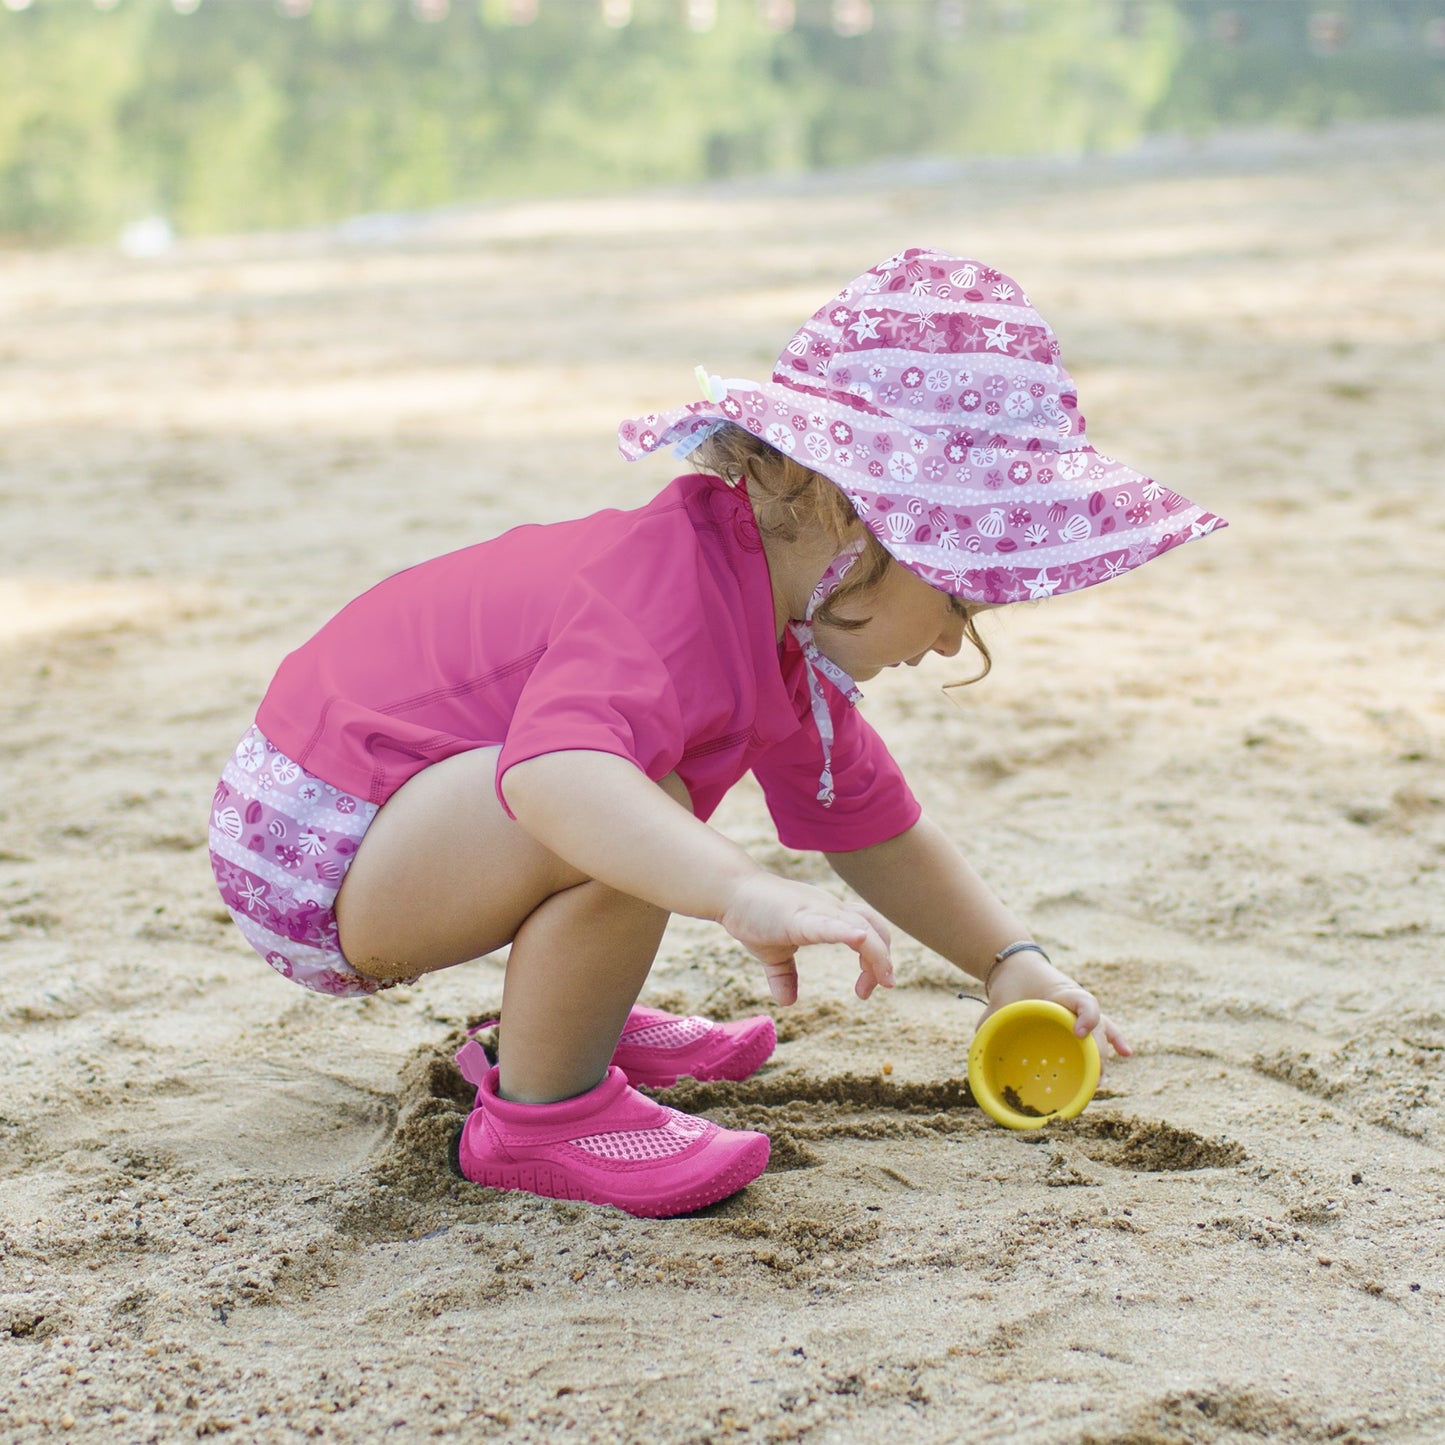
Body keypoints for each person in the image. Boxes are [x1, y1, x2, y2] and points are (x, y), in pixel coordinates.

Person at [208, 247, 1224, 1218]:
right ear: (849, 517)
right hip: (322, 843)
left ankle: (564, 1022)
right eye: (958, 594)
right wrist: (742, 890)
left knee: (640, 805)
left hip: (404, 824)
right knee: (627, 800)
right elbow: (554, 778)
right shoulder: (670, 595)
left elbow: (871, 824)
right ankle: (540, 1116)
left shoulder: (774, 628)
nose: (957, 638)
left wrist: (1007, 959)